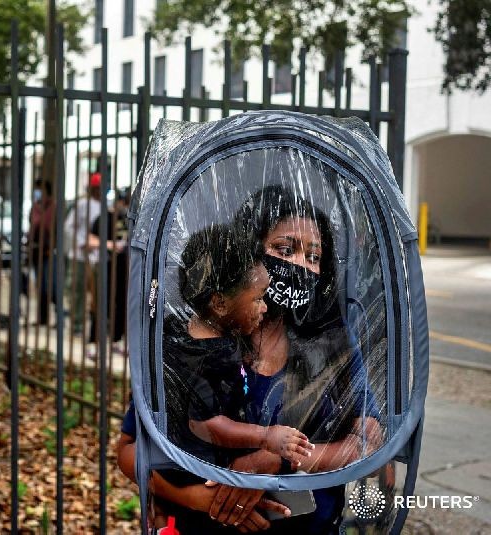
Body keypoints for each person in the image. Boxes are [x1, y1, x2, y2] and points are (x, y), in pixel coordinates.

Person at [117, 184, 382, 534]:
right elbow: (130, 450)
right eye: (285, 249)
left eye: (314, 257)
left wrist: (277, 460)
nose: (300, 265)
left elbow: (370, 439)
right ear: (247, 254)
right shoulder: (193, 347)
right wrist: (204, 499)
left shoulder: (332, 343)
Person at [177, 223, 315, 468]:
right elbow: (202, 423)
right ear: (220, 303)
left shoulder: (187, 335)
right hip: (201, 471)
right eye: (259, 298)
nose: (264, 307)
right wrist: (265, 437)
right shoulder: (207, 358)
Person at [87, 187, 130, 356]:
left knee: (122, 303)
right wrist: (111, 245)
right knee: (101, 303)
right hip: (106, 264)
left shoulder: (128, 218)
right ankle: (93, 342)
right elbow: (90, 240)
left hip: (124, 267)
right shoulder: (103, 218)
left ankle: (117, 340)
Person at [64, 172, 102, 335]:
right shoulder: (82, 204)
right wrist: (81, 242)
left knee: (97, 291)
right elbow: (68, 226)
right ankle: (77, 324)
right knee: (77, 289)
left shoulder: (105, 206)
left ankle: (97, 324)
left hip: (97, 255)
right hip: (79, 255)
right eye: (96, 187)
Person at [28, 178, 57, 326]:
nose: (37, 192)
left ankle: (59, 317)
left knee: (51, 286)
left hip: (49, 252)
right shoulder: (34, 207)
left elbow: (56, 230)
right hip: (35, 251)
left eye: (40, 189)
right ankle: (42, 318)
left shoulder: (54, 207)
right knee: (40, 286)